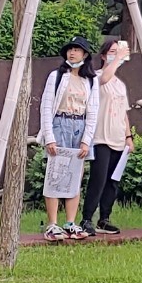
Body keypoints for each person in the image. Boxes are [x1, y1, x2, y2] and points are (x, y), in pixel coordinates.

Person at [38, 36, 100, 241]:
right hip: (60, 124)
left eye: (77, 50)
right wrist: (49, 137)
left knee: (75, 175)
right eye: (70, 49)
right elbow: (46, 107)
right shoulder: (56, 76)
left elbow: (93, 111)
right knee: (55, 174)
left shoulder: (90, 80)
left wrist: (86, 139)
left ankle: (70, 223)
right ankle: (52, 224)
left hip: (79, 125)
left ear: (85, 54)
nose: (72, 53)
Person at [79, 38, 132, 236]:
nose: (116, 55)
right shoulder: (97, 77)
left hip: (118, 138)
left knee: (112, 181)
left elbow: (124, 112)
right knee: (98, 179)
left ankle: (105, 218)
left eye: (119, 52)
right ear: (103, 56)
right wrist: (117, 59)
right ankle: (87, 218)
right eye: (112, 52)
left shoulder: (121, 85)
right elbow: (104, 78)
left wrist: (128, 136)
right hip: (101, 137)